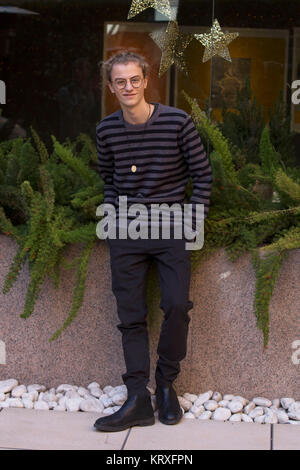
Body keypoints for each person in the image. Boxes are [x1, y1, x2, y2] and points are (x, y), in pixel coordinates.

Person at [94, 51, 213, 432]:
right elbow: (109, 180)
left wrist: (191, 221)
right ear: (111, 87)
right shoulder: (106, 130)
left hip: (171, 227)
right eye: (119, 82)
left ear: (145, 81)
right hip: (126, 230)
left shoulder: (177, 122)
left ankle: (165, 384)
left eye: (134, 79)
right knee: (130, 316)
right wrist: (114, 218)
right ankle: (137, 398)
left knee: (177, 305)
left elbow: (203, 176)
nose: (128, 87)